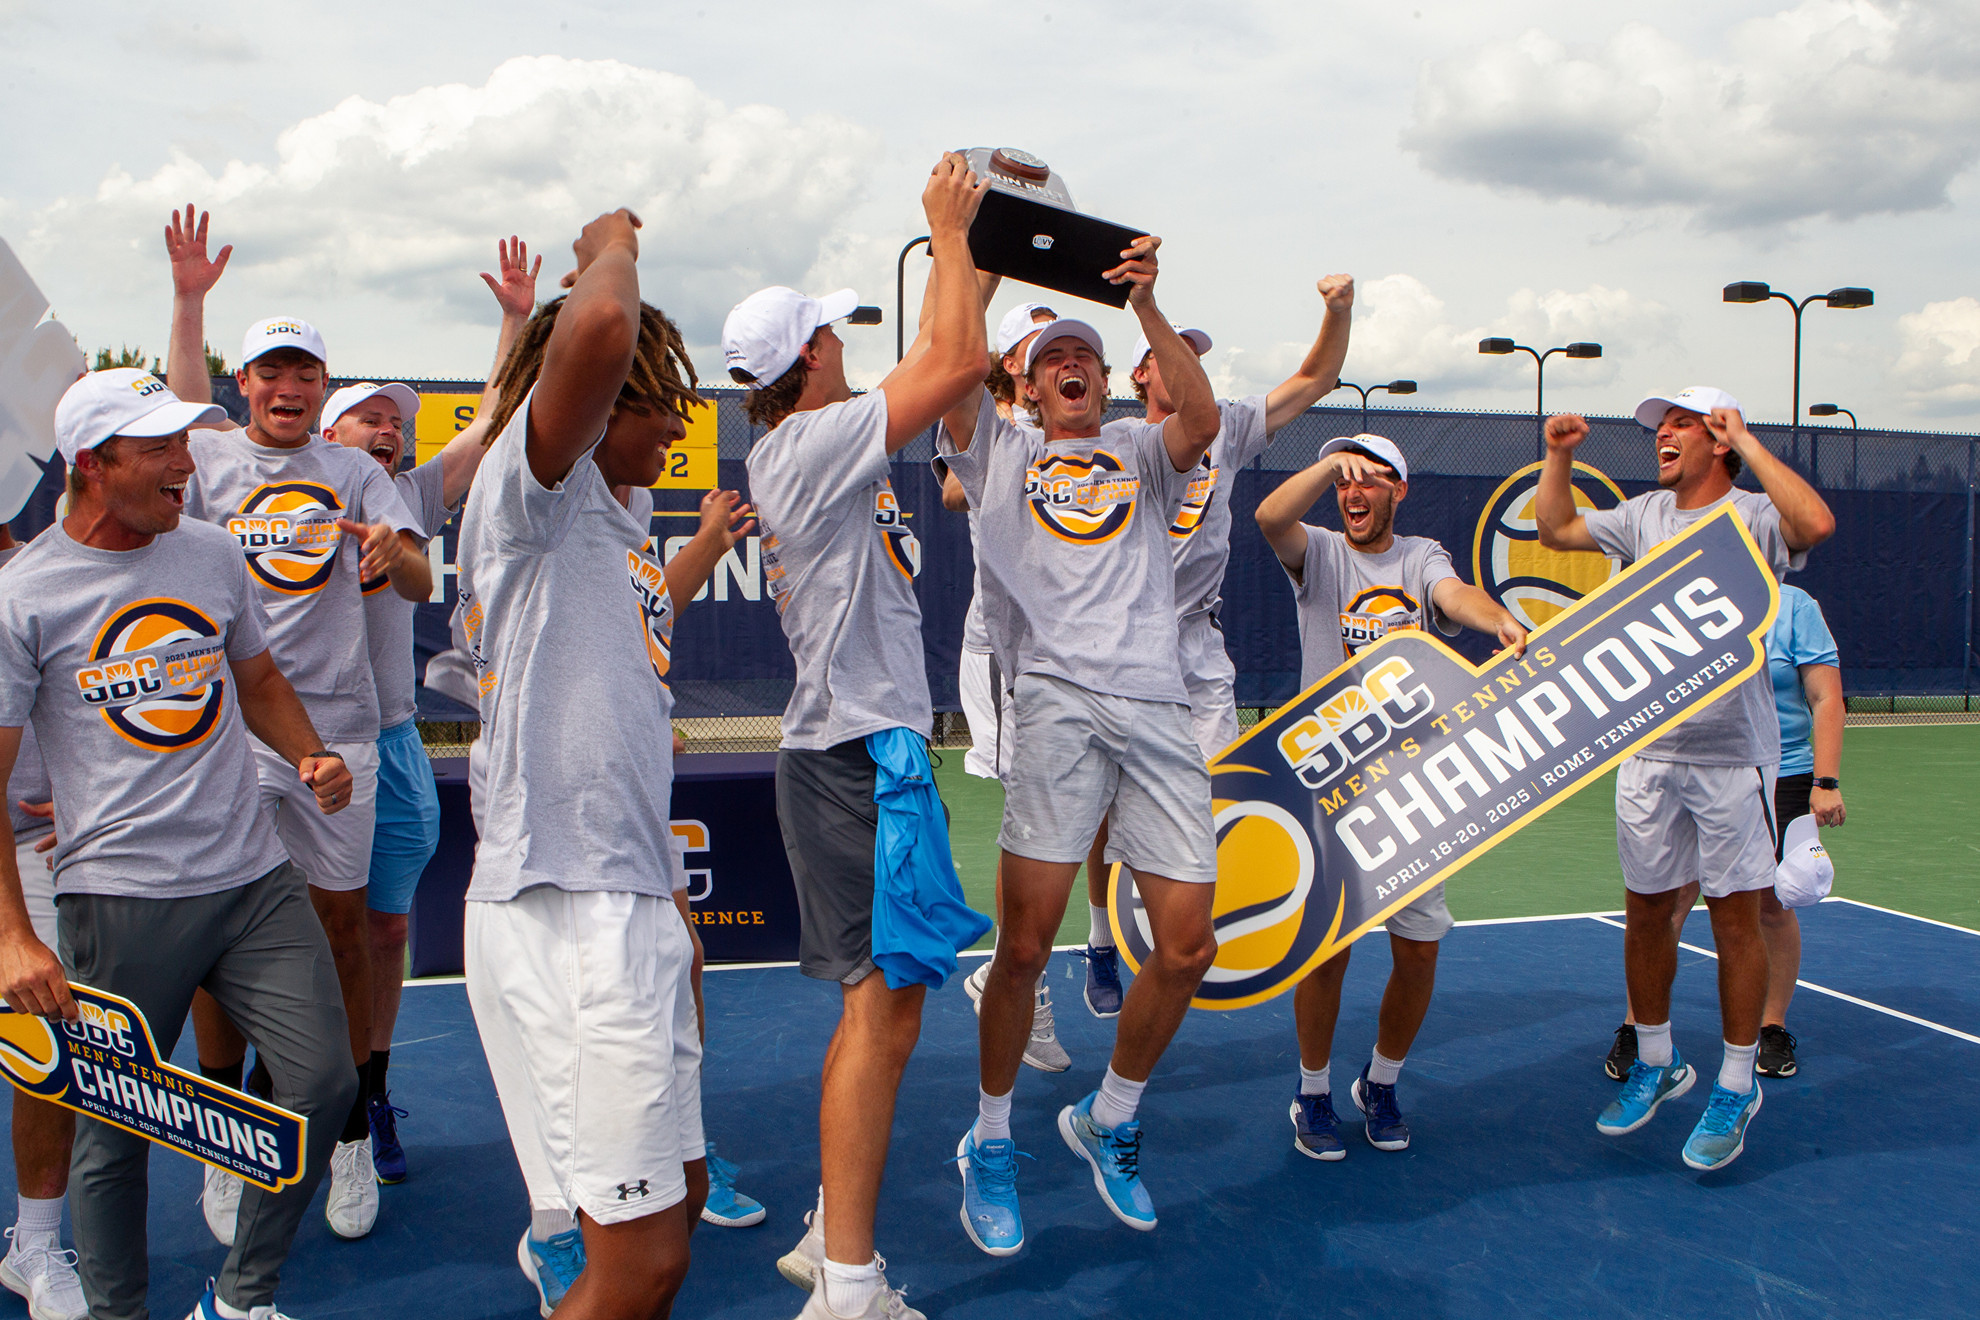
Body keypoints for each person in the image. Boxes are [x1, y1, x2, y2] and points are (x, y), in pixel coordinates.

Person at [0, 368, 357, 1320]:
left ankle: (241, 1299)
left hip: (254, 878)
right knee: (113, 1137)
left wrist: (311, 754)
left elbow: (260, 677)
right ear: (90, 463)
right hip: (120, 899)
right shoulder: (24, 594)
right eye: (158, 447)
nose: (184, 463)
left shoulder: (207, 553)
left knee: (323, 1082)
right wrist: (12, 937)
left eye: (185, 442)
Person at [458, 205, 747, 1320]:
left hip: (625, 898)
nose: (679, 420)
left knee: (672, 1209)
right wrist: (606, 247)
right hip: (568, 913)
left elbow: (619, 664)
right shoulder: (536, 493)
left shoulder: (612, 535)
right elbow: (602, 323)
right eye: (659, 394)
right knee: (644, 1263)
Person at [730, 152, 990, 1320]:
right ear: (809, 361)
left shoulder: (813, 443)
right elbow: (955, 361)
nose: (846, 344)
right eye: (832, 335)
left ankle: (824, 1234)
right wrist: (944, 227)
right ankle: (848, 1286)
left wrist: (970, 253)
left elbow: (947, 356)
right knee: (886, 1011)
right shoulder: (805, 445)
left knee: (874, 1008)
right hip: (859, 757)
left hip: (855, 751)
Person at [937, 232, 1222, 1253]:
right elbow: (951, 355)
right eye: (1053, 354)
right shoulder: (1000, 452)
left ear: (1107, 381)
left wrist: (1147, 303)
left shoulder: (1143, 451)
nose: (1072, 363)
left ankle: (1109, 1121)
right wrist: (979, 251)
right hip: (1055, 699)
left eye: (1088, 356)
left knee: (1188, 944)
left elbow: (1202, 416)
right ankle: (992, 1139)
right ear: (1025, 378)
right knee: (1023, 946)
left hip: (1157, 706)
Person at [164, 206, 430, 1242]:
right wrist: (187, 298)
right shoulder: (207, 459)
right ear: (245, 385)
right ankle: (228, 1137)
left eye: (305, 375)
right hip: (225, 742)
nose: (287, 389)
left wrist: (386, 558)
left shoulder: (359, 471)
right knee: (224, 937)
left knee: (343, 935)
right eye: (270, 373)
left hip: (344, 739)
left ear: (324, 390)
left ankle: (351, 1131)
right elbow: (172, 401)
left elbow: (415, 568)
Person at [1537, 385, 1834, 1171]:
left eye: (1679, 425)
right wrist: (1559, 455)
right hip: (1648, 753)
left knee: (1737, 920)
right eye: (1657, 427)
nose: (1661, 436)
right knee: (1646, 915)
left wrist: (1752, 441)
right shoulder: (1641, 518)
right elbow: (1556, 526)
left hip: (1735, 755)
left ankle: (1737, 1085)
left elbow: (1816, 524)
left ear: (1719, 440)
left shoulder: (1755, 519)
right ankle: (1659, 1060)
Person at [1072, 277, 1357, 1024]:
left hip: (1195, 646)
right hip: (1115, 645)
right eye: (1173, 356)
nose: (1189, 366)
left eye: (1197, 355)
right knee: (1101, 803)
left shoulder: (1224, 427)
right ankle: (1102, 937)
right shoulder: (1111, 444)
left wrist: (1335, 311)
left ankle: (1185, 927)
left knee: (1213, 790)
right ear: (1140, 373)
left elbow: (1317, 378)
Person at [321, 235, 538, 1182]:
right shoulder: (249, 496)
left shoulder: (406, 496)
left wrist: (516, 319)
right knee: (293, 936)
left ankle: (366, 1095)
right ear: (329, 435)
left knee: (387, 930)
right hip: (296, 756)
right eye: (366, 418)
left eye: (393, 420)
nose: (386, 429)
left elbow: (492, 426)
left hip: (396, 744)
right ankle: (300, 1094)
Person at [1255, 434, 1527, 1159]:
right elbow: (1268, 519)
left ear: (1398, 491)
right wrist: (1323, 466)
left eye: (1373, 480)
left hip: (1414, 790)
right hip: (1327, 786)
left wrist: (1494, 617)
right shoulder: (1319, 554)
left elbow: (1452, 593)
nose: (1356, 491)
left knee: (1419, 951)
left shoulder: (1419, 556)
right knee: (1327, 955)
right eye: (1348, 480)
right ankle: (1312, 1093)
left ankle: (1379, 1081)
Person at [1602, 582, 1846, 1081]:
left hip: (1782, 767)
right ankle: (1639, 1027)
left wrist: (1825, 780)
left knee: (1771, 904)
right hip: (1686, 764)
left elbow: (1825, 697)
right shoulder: (1670, 595)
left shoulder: (1795, 605)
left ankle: (1770, 1028)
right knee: (1668, 900)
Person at [950, 298, 1075, 1075]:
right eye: (1034, 348)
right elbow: (958, 490)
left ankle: (1024, 965)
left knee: (1066, 818)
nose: (1052, 359)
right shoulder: (996, 428)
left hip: (1079, 654)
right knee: (1030, 821)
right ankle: (1012, 975)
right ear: (1009, 367)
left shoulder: (1081, 433)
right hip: (1009, 655)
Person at [0, 525, 85, 1320]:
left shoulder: (51, 568)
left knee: (51, 1047)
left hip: (39, 850)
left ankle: (33, 1242)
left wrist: (92, 790)